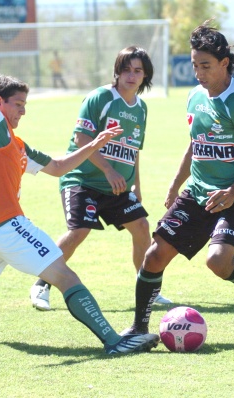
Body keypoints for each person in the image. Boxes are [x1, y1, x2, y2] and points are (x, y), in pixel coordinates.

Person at [0, 75, 159, 355]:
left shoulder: (16, 144)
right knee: (65, 276)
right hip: (2, 222)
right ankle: (114, 341)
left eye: (25, 104)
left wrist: (94, 144)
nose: (23, 111)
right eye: (18, 104)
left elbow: (59, 167)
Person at [121, 21, 234, 336]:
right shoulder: (194, 96)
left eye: (205, 65)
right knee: (155, 255)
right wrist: (176, 183)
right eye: (194, 65)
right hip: (196, 190)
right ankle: (138, 328)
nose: (198, 72)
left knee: (218, 262)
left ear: (225, 63)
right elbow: (195, 142)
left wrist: (233, 192)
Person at [29, 46, 172, 310]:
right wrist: (108, 169)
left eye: (137, 71)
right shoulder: (101, 97)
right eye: (126, 69)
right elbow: (81, 138)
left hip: (117, 186)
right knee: (79, 230)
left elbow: (134, 150)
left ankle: (147, 289)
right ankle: (42, 283)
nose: (131, 75)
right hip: (82, 179)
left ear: (145, 76)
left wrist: (137, 184)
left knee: (141, 227)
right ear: (117, 72)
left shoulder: (141, 109)